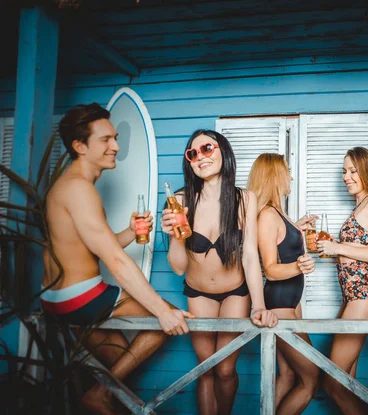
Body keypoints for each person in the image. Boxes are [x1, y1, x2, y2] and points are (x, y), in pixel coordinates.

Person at [41, 103, 194, 415]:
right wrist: (161, 311)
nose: (116, 146)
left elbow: (92, 245)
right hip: (82, 297)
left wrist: (128, 232)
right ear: (80, 146)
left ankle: (104, 396)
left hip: (56, 299)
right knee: (163, 320)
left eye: (115, 138)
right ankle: (98, 393)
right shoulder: (79, 189)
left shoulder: (69, 186)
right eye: (106, 140)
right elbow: (114, 259)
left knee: (122, 364)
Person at [160, 130, 278, 415]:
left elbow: (250, 256)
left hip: (235, 293)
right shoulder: (178, 200)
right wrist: (176, 235)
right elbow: (177, 268)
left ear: (223, 151)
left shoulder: (245, 199)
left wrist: (259, 305)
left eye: (207, 148)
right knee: (206, 368)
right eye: (193, 153)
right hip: (198, 292)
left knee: (225, 368)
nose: (200, 156)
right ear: (189, 162)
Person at [317, 147, 368, 415]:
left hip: (363, 297)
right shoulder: (361, 205)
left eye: (353, 171)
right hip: (351, 298)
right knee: (344, 383)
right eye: (344, 171)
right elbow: (355, 253)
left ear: (367, 172)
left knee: (333, 384)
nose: (346, 176)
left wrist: (338, 248)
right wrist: (332, 247)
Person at [247, 153, 319, 415]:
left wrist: (297, 228)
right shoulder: (267, 215)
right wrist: (299, 266)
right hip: (279, 308)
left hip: (289, 306)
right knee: (311, 380)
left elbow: (281, 242)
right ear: (275, 176)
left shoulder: (277, 213)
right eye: (287, 171)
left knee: (288, 376)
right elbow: (271, 269)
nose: (290, 176)